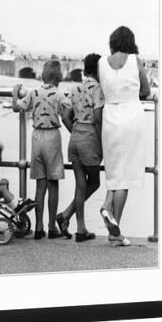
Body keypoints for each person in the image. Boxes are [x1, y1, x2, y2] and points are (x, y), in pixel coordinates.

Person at [98, 26, 150, 246]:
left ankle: (107, 208)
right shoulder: (135, 60)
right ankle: (115, 232)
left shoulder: (101, 62)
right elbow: (146, 90)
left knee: (113, 172)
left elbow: (104, 88)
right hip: (131, 117)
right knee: (125, 176)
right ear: (131, 42)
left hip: (110, 117)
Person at [12, 60, 68, 239]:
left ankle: (38, 227)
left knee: (40, 185)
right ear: (59, 77)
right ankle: (52, 227)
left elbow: (16, 107)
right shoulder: (59, 95)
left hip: (36, 137)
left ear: (42, 76)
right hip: (52, 137)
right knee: (53, 184)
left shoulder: (33, 93)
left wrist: (15, 93)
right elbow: (68, 110)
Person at [58, 53, 104, 242]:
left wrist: (75, 131)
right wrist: (101, 142)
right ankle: (75, 223)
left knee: (80, 184)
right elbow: (98, 116)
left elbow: (65, 116)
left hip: (75, 137)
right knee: (94, 182)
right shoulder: (98, 89)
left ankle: (73, 222)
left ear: (85, 70)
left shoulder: (75, 89)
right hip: (90, 138)